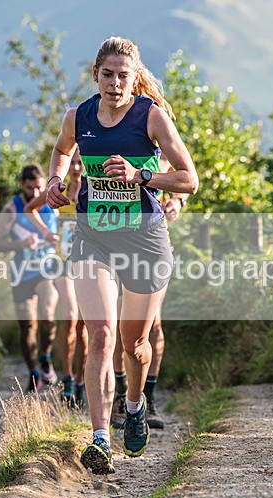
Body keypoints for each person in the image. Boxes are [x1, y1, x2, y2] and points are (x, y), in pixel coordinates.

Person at [46, 37, 198, 475]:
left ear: (134, 78)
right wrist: (57, 181)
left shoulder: (151, 117)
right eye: (107, 74)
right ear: (96, 74)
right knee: (101, 337)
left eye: (123, 76)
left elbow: (189, 180)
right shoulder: (79, 116)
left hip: (145, 240)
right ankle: (98, 439)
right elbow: (61, 150)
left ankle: (134, 405)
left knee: (135, 345)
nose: (114, 83)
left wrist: (142, 175)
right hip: (93, 237)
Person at [111, 156, 187, 430]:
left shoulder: (162, 151)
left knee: (153, 323)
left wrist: (176, 203)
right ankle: (121, 397)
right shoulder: (122, 138)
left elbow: (183, 178)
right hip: (116, 242)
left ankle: (148, 398)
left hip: (153, 248)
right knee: (122, 323)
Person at [24, 149, 89, 407]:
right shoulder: (59, 190)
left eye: (80, 162)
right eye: (72, 162)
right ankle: (68, 378)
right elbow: (31, 209)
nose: (75, 167)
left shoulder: (94, 190)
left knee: (85, 325)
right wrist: (47, 233)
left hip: (89, 261)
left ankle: (83, 380)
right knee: (70, 316)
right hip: (63, 260)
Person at [0, 164, 59, 392]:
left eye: (40, 187)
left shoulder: (52, 204)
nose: (35, 193)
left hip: (46, 269)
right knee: (27, 325)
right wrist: (20, 243)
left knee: (48, 309)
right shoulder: (13, 209)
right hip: (22, 272)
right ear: (22, 186)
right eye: (31, 189)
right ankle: (33, 373)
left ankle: (46, 357)